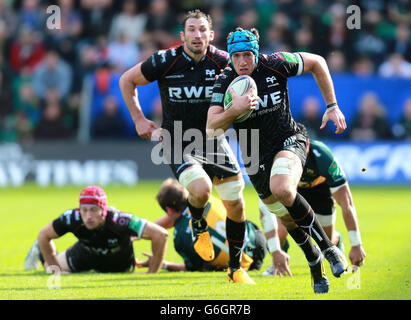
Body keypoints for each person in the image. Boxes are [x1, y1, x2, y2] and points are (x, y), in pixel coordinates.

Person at [206, 27, 349, 293]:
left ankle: (330, 251)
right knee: (287, 219)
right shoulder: (224, 80)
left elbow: (318, 62)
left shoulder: (276, 64)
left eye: (248, 55)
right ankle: (314, 261)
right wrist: (234, 110)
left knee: (282, 188)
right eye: (236, 56)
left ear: (257, 53)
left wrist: (332, 106)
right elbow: (211, 128)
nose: (242, 62)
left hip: (289, 139)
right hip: (253, 157)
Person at [119, 10, 254, 284]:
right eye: (191, 29)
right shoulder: (165, 60)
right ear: (182, 36)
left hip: (214, 140)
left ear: (211, 35)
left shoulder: (224, 63)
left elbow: (248, 86)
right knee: (201, 190)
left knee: (237, 206)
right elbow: (126, 80)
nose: (197, 35)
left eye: (202, 29)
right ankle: (199, 225)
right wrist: (139, 119)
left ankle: (236, 268)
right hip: (177, 139)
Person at [261, 124, 366, 276]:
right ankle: (279, 263)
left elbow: (346, 202)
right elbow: (266, 203)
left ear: (307, 144)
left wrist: (356, 244)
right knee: (281, 230)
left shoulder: (322, 156)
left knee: (326, 239)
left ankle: (337, 240)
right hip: (294, 191)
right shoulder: (280, 156)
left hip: (320, 192)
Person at [24, 185, 168, 274]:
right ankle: (39, 251)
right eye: (84, 210)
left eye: (93, 210)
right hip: (85, 254)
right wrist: (57, 272)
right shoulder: (72, 218)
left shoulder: (120, 220)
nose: (88, 216)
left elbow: (161, 235)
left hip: (119, 263)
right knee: (49, 267)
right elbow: (43, 235)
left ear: (104, 210)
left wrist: (152, 272)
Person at [136, 178, 267, 272]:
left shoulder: (180, 240)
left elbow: (194, 268)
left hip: (248, 265)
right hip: (258, 237)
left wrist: (164, 264)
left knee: (208, 265)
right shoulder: (205, 198)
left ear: (169, 210)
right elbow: (181, 215)